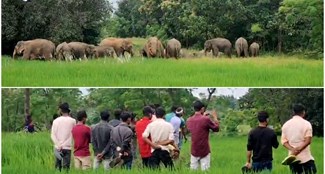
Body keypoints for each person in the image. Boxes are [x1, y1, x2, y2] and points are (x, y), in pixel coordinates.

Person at [281, 104, 317, 174]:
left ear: (293, 112)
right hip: (306, 158)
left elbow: (284, 141)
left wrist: (293, 150)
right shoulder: (306, 124)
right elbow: (308, 141)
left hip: (292, 158)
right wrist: (299, 149)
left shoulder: (286, 124)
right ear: (303, 112)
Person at [187, 100, 219, 171]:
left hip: (194, 149)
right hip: (204, 149)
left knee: (193, 170)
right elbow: (216, 129)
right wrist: (215, 117)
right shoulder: (206, 119)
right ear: (202, 109)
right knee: (205, 170)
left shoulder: (189, 120)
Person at [51, 102, 76, 171]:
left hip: (57, 147)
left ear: (61, 111)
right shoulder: (73, 121)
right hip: (67, 147)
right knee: (66, 168)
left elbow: (53, 135)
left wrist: (58, 145)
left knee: (57, 167)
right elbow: (74, 133)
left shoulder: (56, 121)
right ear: (68, 110)